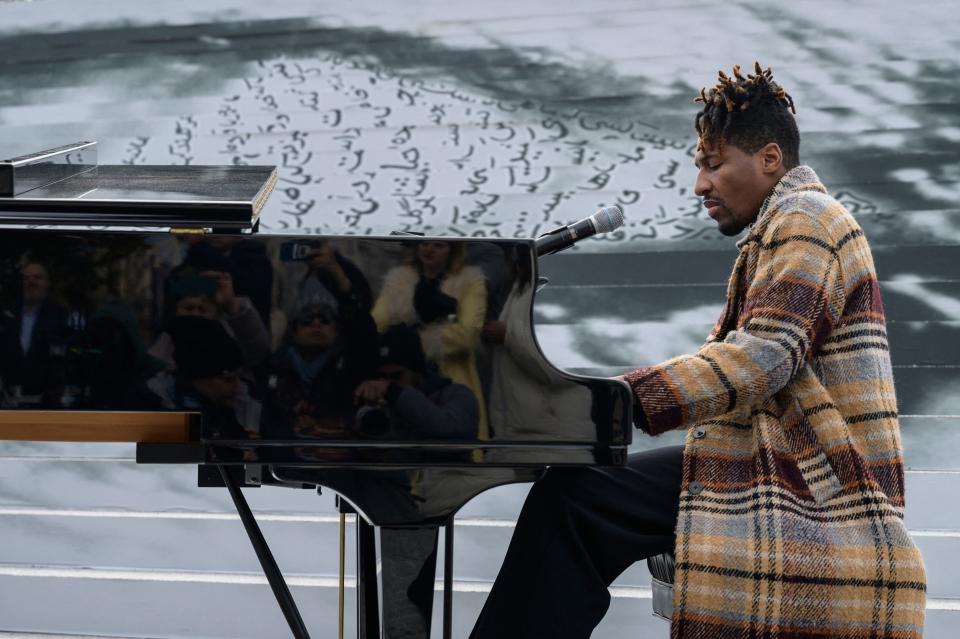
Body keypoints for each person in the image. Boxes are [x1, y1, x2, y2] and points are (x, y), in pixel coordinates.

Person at [470, 63, 926, 639]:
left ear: (768, 158)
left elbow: (762, 358)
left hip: (816, 487)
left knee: (577, 498)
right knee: (580, 499)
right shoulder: (785, 226)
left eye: (713, 164)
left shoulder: (807, 219)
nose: (699, 186)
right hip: (790, 471)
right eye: (698, 167)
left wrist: (620, 398)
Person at [371, 240, 489, 437]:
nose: (429, 249)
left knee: (450, 434)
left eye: (439, 245)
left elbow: (467, 334)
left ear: (452, 249)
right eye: (424, 243)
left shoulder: (470, 280)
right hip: (401, 377)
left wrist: (409, 341)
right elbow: (375, 324)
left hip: (450, 373)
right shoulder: (398, 280)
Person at [0, 260, 69, 404]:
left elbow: (65, 359)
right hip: (7, 402)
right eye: (26, 278)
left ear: (47, 283)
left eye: (37, 277)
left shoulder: (60, 317)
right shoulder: (6, 315)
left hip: (46, 404)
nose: (31, 282)